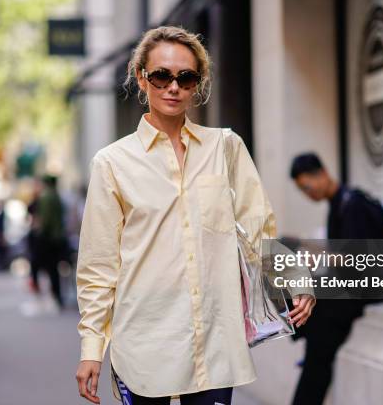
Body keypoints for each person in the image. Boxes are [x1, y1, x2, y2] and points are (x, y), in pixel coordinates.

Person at [75, 26, 315, 405]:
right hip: (143, 344)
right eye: (161, 76)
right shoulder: (111, 163)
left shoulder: (226, 147)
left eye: (185, 78)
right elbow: (98, 266)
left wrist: (295, 277)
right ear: (141, 78)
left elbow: (258, 226)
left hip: (214, 341)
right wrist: (92, 347)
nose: (173, 87)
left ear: (197, 84)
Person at [289, 152, 383, 405]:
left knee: (317, 355)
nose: (307, 194)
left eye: (307, 187)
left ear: (321, 173)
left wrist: (316, 252)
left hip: (361, 294)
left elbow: (359, 261)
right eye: (302, 190)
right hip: (346, 293)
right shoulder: (340, 203)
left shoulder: (353, 205)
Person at [34, 174, 66, 309]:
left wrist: (39, 231)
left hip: (48, 237)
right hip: (57, 237)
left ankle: (53, 295)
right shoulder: (57, 196)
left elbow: (45, 220)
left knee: (43, 266)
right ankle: (57, 295)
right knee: (54, 268)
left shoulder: (46, 196)